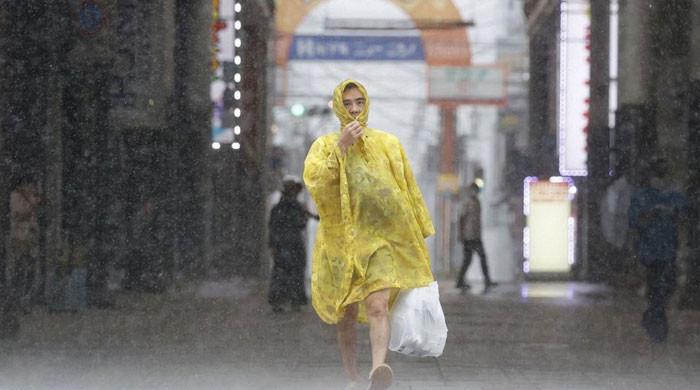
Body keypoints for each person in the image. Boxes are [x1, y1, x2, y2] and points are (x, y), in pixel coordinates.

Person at [303, 79, 436, 390]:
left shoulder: (388, 144)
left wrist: (419, 227)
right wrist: (342, 148)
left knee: (377, 304)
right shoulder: (324, 146)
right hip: (341, 243)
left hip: (380, 242)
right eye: (347, 103)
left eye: (359, 102)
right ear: (338, 106)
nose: (353, 109)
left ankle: (379, 368)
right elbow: (316, 182)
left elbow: (407, 187)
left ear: (367, 105)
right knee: (346, 314)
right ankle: (351, 377)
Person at [628, 158, 686, 343]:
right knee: (657, 286)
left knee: (666, 285)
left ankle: (653, 316)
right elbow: (635, 221)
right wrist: (651, 214)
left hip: (667, 249)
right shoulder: (642, 196)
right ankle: (657, 324)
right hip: (651, 250)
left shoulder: (672, 196)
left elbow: (683, 215)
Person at [267, 176, 317, 313]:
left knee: (282, 273)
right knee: (292, 273)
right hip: (291, 244)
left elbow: (272, 227)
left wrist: (273, 245)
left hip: (284, 244)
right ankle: (292, 300)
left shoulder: (281, 207)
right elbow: (298, 223)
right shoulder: (293, 207)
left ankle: (281, 301)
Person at [7, 176, 42, 313]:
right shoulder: (15, 196)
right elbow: (18, 215)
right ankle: (16, 301)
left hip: (30, 238)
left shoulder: (31, 197)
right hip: (19, 237)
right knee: (20, 269)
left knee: (30, 270)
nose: (30, 188)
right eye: (29, 185)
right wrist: (32, 205)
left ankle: (24, 301)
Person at [456, 182, 496, 292]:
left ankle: (486, 280)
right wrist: (461, 234)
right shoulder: (468, 202)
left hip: (476, 235)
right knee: (470, 260)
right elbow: (461, 218)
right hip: (469, 236)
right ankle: (461, 281)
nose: (476, 192)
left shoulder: (477, 201)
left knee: (478, 258)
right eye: (474, 190)